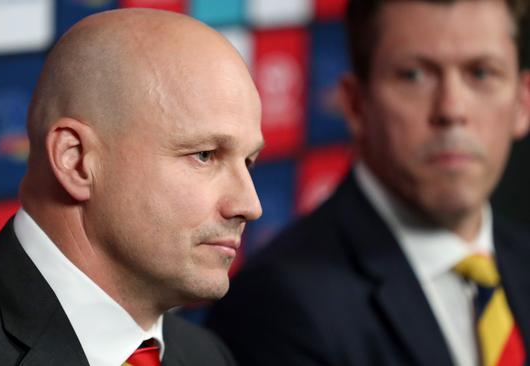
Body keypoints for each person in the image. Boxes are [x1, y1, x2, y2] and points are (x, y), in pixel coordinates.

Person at [0, 8, 264, 366]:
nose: (250, 205)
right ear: (75, 160)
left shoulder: (204, 354)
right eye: (205, 155)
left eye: (248, 162)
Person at [207, 0, 530, 365]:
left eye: (482, 73)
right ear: (357, 105)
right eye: (414, 75)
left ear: (522, 102)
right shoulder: (274, 306)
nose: (452, 110)